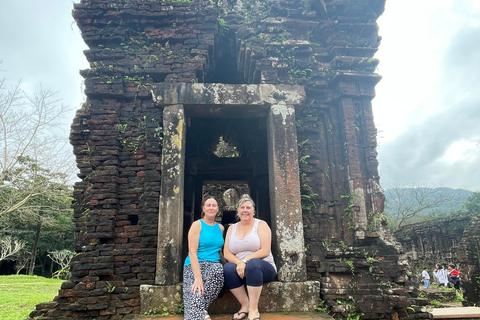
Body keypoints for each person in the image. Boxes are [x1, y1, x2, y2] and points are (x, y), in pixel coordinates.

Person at [223, 195, 277, 320]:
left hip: (263, 267)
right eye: (242, 207)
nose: (245, 210)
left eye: (248, 208)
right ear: (238, 211)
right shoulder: (232, 228)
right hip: (241, 269)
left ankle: (254, 309)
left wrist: (246, 261)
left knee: (253, 264)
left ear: (253, 211)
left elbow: (265, 250)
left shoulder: (261, 224)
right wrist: (240, 263)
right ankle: (245, 305)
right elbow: (226, 253)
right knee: (228, 268)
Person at [183, 196, 225, 320]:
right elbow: (192, 251)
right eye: (208, 205)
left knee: (218, 269)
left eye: (214, 205)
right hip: (195, 265)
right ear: (203, 208)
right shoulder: (197, 225)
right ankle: (201, 313)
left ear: (217, 208)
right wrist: (198, 277)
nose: (211, 208)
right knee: (196, 292)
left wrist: (229, 266)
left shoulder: (221, 228)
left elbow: (219, 251)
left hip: (214, 267)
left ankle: (199, 309)